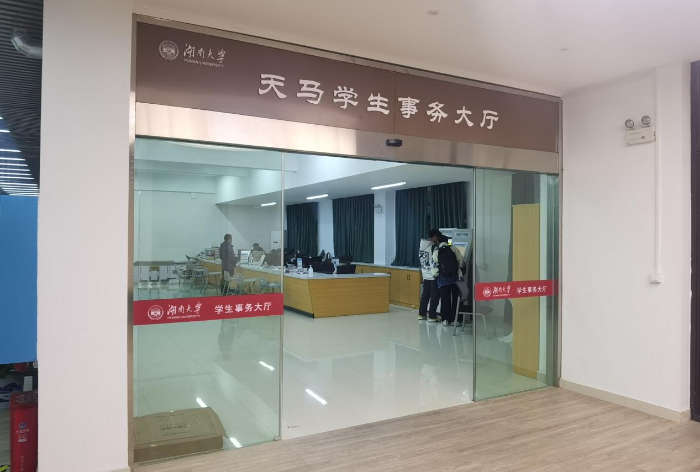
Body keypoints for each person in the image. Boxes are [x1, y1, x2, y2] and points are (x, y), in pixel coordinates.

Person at [432, 234, 464, 327]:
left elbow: (434, 267)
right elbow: (461, 262)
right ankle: (456, 320)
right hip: (455, 278)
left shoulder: (436, 251)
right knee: (456, 299)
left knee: (445, 299)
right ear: (447, 241)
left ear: (439, 242)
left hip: (443, 279)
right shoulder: (454, 249)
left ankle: (445, 320)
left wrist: (436, 276)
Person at [418, 229, 441, 322]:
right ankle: (432, 316)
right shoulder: (434, 248)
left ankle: (421, 314)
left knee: (425, 295)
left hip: (425, 274)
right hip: (433, 275)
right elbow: (437, 261)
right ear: (435, 237)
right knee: (434, 296)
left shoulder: (422, 246)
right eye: (438, 238)